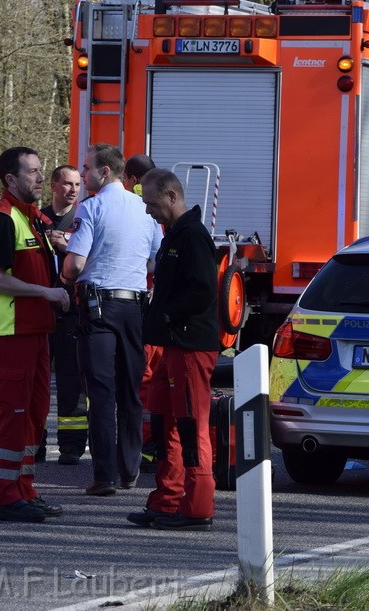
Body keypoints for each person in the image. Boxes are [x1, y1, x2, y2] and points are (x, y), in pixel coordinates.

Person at [62, 144, 162, 497]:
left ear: (105, 172)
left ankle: (105, 476)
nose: (83, 173)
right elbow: (153, 263)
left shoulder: (91, 207)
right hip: (133, 308)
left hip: (98, 308)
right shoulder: (145, 209)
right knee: (131, 391)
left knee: (102, 393)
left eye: (87, 168)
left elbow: (74, 265)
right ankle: (130, 469)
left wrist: (65, 275)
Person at [0, 146, 70, 523]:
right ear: (10, 179)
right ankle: (1, 496)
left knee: (33, 417)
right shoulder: (2, 219)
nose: (38, 177)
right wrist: (47, 293)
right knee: (13, 415)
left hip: (35, 332)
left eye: (39, 170)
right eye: (31, 172)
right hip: (11, 333)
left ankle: (24, 490)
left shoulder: (31, 218)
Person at [128, 168, 219, 531]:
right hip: (173, 345)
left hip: (190, 346)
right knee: (165, 423)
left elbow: (203, 291)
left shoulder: (192, 236)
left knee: (190, 425)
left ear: (170, 196)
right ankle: (168, 500)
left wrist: (166, 317)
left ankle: (196, 507)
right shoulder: (175, 235)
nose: (149, 211)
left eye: (152, 204)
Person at [40, 165, 87, 465]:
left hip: (72, 311)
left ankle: (71, 447)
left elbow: (93, 257)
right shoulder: (37, 218)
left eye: (77, 184)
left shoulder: (83, 218)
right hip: (41, 309)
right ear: (54, 186)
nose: (73, 189)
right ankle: (35, 442)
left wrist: (67, 246)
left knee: (72, 383)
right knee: (39, 381)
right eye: (67, 184)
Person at [121, 154, 161, 473]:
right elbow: (154, 259)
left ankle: (142, 444)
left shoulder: (119, 205)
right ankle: (147, 443)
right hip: (148, 305)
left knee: (143, 377)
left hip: (135, 305)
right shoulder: (151, 211)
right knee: (149, 376)